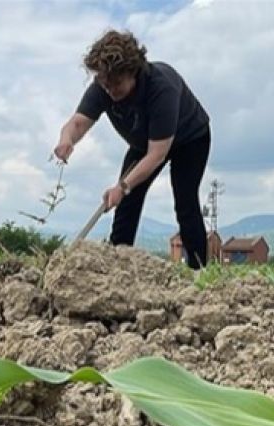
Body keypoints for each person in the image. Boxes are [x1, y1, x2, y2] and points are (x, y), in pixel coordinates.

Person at [54, 29, 212, 269]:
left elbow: (157, 153)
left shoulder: (161, 87)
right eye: (106, 85)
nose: (111, 91)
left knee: (185, 200)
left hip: (190, 138)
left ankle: (199, 270)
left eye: (116, 84)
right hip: (143, 142)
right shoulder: (103, 86)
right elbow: (77, 123)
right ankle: (118, 264)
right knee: (126, 202)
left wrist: (123, 185)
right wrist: (66, 139)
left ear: (133, 72)